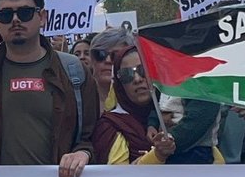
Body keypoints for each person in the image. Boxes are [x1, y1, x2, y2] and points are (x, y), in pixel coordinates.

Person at [0, 0, 98, 177]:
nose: (15, 20)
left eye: (25, 13)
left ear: (42, 17)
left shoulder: (74, 73)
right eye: (6, 15)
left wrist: (83, 153)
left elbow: (92, 137)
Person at [94, 46, 222, 164]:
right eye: (127, 74)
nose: (137, 79)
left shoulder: (192, 91)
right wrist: (157, 154)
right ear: (119, 84)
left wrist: (171, 139)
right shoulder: (112, 125)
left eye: (144, 70)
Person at [89, 27, 132, 111]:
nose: (108, 60)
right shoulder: (78, 100)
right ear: (92, 59)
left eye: (116, 55)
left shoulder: (142, 101)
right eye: (100, 54)